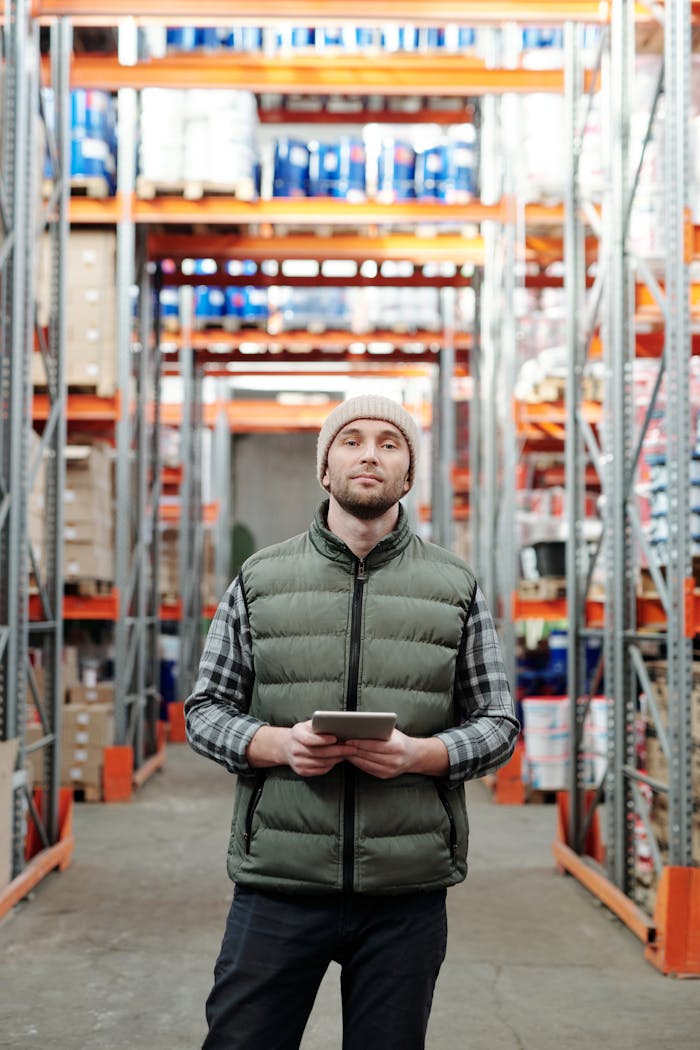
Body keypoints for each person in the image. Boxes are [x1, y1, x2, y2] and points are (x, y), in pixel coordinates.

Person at [185, 394, 519, 1050]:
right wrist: (274, 743)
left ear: (408, 474)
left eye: (390, 443)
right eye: (352, 440)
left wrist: (421, 756)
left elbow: (498, 720)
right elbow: (204, 710)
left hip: (405, 888)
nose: (370, 453)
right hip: (280, 879)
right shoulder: (260, 579)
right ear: (325, 469)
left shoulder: (455, 585)